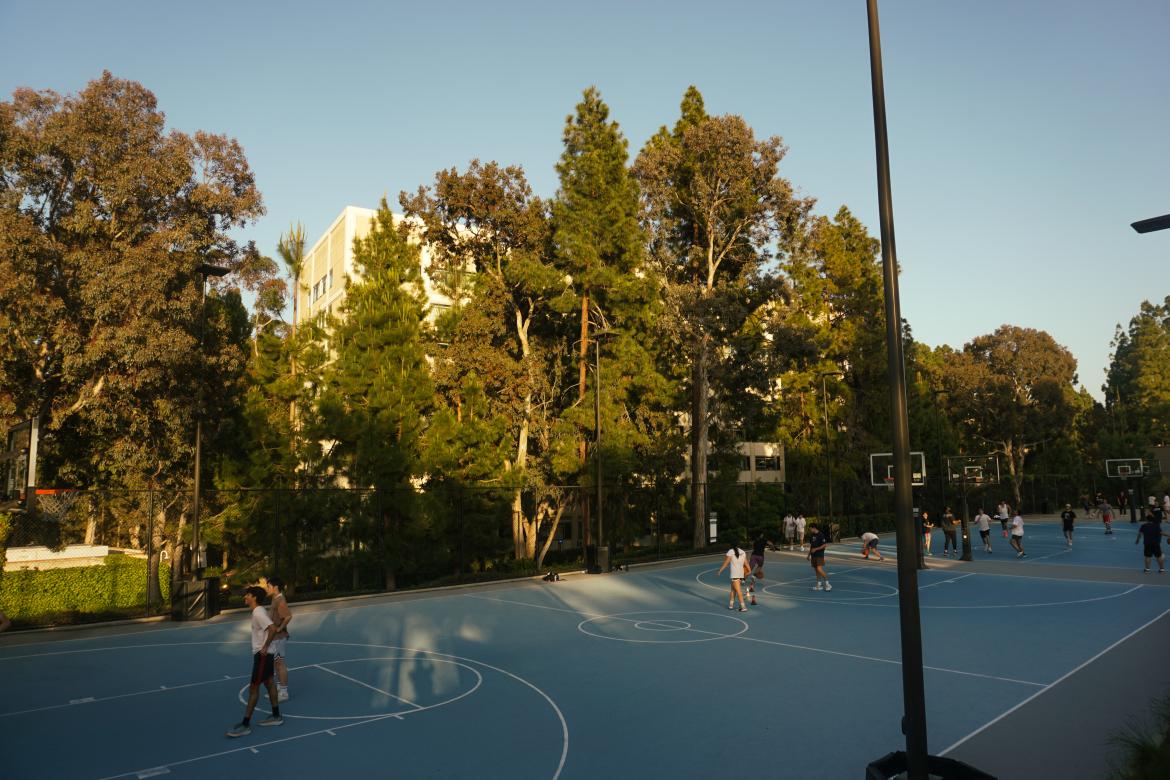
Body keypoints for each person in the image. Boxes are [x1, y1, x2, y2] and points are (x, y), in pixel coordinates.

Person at [226, 586, 284, 737]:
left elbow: (272, 629)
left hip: (263, 655)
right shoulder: (259, 611)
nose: (245, 597)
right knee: (270, 683)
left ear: (255, 598)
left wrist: (264, 647)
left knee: (253, 689)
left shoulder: (258, 612)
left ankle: (245, 725)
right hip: (266, 654)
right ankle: (276, 716)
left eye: (248, 595)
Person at [262, 575, 293, 702]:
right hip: (275, 637)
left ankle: (284, 692)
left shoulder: (280, 600)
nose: (267, 588)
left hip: (279, 637)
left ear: (275, 587)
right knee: (276, 663)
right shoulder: (275, 598)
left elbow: (288, 616)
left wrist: (279, 629)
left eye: (268, 586)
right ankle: (279, 688)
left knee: (280, 663)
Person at [716, 540, 751, 612]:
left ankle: (743, 606)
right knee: (733, 589)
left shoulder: (730, 552)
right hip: (740, 574)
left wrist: (720, 570)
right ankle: (731, 605)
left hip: (734, 574)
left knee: (738, 591)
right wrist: (749, 570)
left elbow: (726, 563)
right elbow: (746, 563)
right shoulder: (743, 552)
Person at [746, 532, 772, 605]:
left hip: (754, 555)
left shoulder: (755, 540)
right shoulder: (764, 540)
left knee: (749, 569)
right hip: (760, 556)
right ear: (761, 535)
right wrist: (772, 547)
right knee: (759, 566)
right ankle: (754, 576)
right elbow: (770, 543)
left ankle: (743, 580)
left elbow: (753, 545)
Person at [807, 522, 831, 591]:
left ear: (814, 528)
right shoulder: (812, 536)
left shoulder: (821, 535)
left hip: (819, 555)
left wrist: (816, 549)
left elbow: (824, 545)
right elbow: (811, 546)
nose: (810, 530)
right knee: (816, 570)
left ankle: (827, 583)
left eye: (810, 529)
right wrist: (808, 555)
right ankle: (819, 584)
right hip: (813, 555)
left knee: (819, 569)